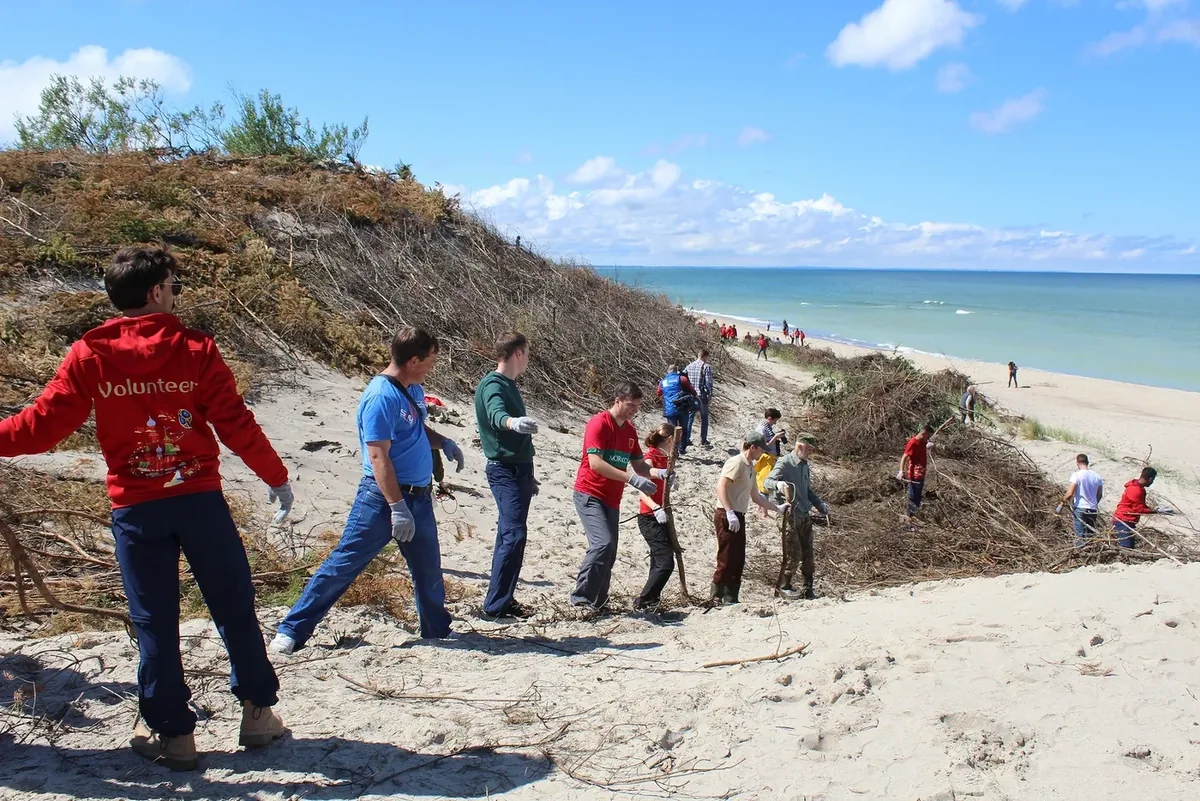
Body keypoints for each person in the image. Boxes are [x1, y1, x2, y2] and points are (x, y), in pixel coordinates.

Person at [0, 247, 294, 769]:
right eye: (173, 286)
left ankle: (173, 735)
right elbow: (234, 421)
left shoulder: (89, 354)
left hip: (137, 508)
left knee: (155, 621)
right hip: (199, 499)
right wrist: (275, 476)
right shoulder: (195, 347)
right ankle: (257, 713)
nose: (175, 294)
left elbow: (41, 427)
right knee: (233, 605)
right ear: (156, 291)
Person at [272, 327, 463, 654]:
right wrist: (397, 507)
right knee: (344, 563)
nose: (434, 365)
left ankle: (437, 630)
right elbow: (378, 456)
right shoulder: (380, 396)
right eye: (430, 360)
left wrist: (443, 442)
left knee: (428, 569)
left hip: (419, 496)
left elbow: (415, 428)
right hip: (382, 500)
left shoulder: (414, 388)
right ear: (414, 359)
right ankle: (292, 630)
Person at [570, 382, 665, 614]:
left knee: (610, 551)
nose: (635, 410)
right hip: (589, 492)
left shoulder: (630, 431)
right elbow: (596, 463)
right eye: (631, 405)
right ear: (618, 401)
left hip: (612, 499)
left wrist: (659, 473)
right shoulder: (599, 424)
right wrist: (631, 479)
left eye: (638, 406)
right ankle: (581, 599)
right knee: (602, 543)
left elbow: (640, 465)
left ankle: (600, 602)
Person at [474, 331, 540, 619]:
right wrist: (514, 423)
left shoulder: (510, 384)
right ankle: (495, 605)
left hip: (520, 470)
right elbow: (495, 415)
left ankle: (502, 599)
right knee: (513, 535)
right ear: (518, 354)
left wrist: (530, 475)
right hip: (504, 471)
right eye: (527, 354)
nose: (528, 360)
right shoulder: (493, 385)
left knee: (511, 535)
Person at [713, 431, 789, 604]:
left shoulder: (750, 467)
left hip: (739, 514)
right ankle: (716, 596)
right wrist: (729, 512)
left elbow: (756, 497)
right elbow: (721, 487)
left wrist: (777, 508)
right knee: (726, 557)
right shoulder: (736, 462)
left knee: (738, 557)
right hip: (726, 514)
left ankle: (731, 597)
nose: (763, 453)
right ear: (752, 447)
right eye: (761, 450)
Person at [763, 433, 829, 600]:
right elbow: (767, 482)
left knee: (808, 554)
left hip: (804, 514)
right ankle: (785, 587)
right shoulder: (785, 463)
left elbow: (807, 491)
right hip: (789, 516)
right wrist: (778, 484)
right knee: (793, 553)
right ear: (800, 447)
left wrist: (819, 504)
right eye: (809, 449)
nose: (811, 453)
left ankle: (808, 588)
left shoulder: (804, 466)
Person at [632, 424, 677, 610]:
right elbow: (642, 488)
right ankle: (643, 601)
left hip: (660, 515)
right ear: (669, 440)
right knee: (666, 564)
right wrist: (656, 507)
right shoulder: (651, 457)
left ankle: (651, 601)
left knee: (658, 561)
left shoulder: (665, 457)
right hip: (650, 517)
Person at [1112, 467, 1164, 549]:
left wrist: (1155, 509)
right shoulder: (1135, 490)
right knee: (1126, 547)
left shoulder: (1138, 487)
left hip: (1127, 520)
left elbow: (1141, 506)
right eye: (1152, 480)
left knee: (1130, 546)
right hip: (1123, 519)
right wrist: (1157, 511)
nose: (1152, 482)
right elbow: (1139, 509)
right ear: (1150, 479)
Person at [1058, 454, 1103, 546]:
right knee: (1090, 534)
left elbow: (1070, 493)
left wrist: (1061, 505)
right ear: (1087, 462)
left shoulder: (1076, 475)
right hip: (1093, 509)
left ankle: (1081, 555)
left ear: (1077, 463)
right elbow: (1099, 494)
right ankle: (1091, 553)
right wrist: (1094, 503)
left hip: (1081, 508)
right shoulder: (1097, 476)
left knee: (1080, 535)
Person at [656, 364, 698, 455]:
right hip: (682, 408)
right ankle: (682, 449)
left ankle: (673, 450)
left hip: (669, 409)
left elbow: (658, 393)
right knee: (684, 429)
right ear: (676, 371)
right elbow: (692, 391)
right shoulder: (682, 379)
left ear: (668, 371)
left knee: (671, 431)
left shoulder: (663, 381)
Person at [898, 423, 935, 519]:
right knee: (913, 496)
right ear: (924, 434)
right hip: (914, 474)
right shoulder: (912, 442)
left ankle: (913, 517)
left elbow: (925, 446)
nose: (928, 439)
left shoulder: (923, 442)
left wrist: (928, 446)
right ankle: (909, 517)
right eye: (928, 436)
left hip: (921, 473)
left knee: (918, 497)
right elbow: (904, 457)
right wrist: (901, 471)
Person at [684, 349, 715, 450]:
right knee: (704, 418)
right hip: (701, 395)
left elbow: (683, 378)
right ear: (705, 356)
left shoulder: (689, 366)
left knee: (690, 417)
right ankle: (703, 439)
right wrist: (710, 395)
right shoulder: (706, 367)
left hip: (691, 395)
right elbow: (708, 382)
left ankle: (687, 438)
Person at [754, 407, 788, 491]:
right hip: (766, 458)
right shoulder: (762, 429)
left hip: (771, 458)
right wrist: (775, 437)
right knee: (764, 485)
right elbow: (763, 446)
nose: (775, 423)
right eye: (775, 421)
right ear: (769, 418)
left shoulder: (767, 428)